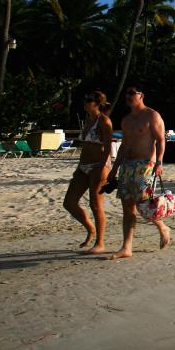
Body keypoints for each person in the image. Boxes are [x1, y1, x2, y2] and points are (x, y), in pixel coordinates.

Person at [107, 86, 170, 259]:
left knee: (143, 204)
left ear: (141, 95)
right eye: (126, 93)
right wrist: (114, 168)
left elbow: (161, 140)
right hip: (128, 165)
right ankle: (126, 247)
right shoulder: (126, 120)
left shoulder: (152, 115)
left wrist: (159, 162)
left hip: (146, 165)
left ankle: (162, 227)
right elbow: (124, 146)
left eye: (131, 93)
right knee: (127, 206)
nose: (127, 96)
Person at [63, 91, 113, 254]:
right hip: (83, 166)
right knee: (69, 202)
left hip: (99, 166)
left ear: (97, 103)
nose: (85, 103)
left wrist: (101, 167)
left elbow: (108, 147)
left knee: (95, 204)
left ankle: (100, 242)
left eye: (88, 100)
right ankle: (90, 228)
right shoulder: (88, 120)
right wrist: (79, 166)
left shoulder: (104, 121)